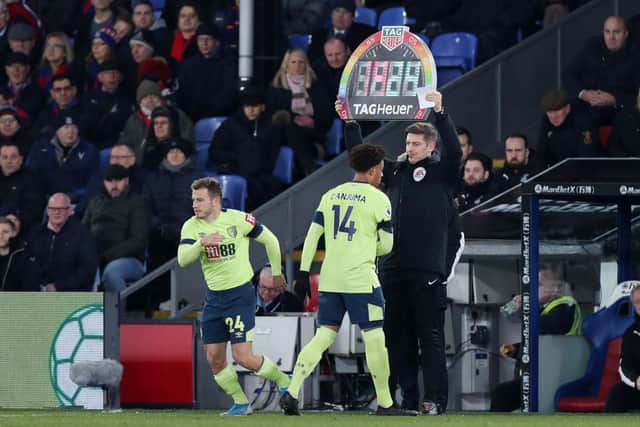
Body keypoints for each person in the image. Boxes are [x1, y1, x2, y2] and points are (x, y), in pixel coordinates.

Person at [340, 91, 461, 414]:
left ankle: (434, 400)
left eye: (417, 144)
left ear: (431, 147)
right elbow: (363, 159)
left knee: (430, 340)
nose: (410, 149)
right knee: (396, 341)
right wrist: (350, 123)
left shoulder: (443, 174)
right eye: (408, 144)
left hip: (427, 273)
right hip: (392, 270)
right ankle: (406, 399)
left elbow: (456, 151)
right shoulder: (393, 173)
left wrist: (440, 113)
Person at [280, 144, 417, 417]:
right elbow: (387, 246)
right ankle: (386, 404)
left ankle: (292, 391)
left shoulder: (330, 195)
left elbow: (312, 237)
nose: (382, 174)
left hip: (330, 279)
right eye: (380, 168)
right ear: (373, 169)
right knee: (375, 337)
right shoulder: (379, 199)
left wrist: (305, 273)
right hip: (361, 281)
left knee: (323, 336)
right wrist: (367, 246)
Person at [177, 176, 290, 416]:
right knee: (214, 358)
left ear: (215, 200)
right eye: (193, 200)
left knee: (243, 357)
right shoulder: (191, 226)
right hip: (214, 299)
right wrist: (201, 244)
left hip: (240, 295)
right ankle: (241, 403)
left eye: (200, 200)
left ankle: (283, 381)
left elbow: (270, 240)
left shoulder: (238, 220)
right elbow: (183, 260)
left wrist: (277, 272)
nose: (194, 205)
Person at [490, 266, 582, 411]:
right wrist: (516, 350)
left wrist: (527, 307)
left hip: (556, 376)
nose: (531, 289)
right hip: (537, 375)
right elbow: (540, 341)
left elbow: (547, 327)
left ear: (555, 288)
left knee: (502, 394)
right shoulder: (543, 309)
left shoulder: (565, 305)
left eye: (538, 285)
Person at [207, 86, 282, 210]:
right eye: (247, 106)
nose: (251, 110)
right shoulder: (230, 125)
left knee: (273, 186)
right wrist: (237, 157)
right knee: (252, 188)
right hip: (237, 170)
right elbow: (215, 153)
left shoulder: (270, 126)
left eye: (255, 106)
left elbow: (272, 152)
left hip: (262, 173)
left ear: (262, 107)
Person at [83, 164, 149, 295]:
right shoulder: (95, 202)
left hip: (130, 260)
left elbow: (138, 241)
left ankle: (116, 315)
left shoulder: (137, 203)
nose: (113, 185)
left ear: (126, 181)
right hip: (95, 258)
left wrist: (106, 256)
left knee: (112, 272)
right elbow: (82, 233)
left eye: (118, 180)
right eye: (109, 181)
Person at [268, 48, 332, 177]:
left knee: (294, 132)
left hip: (312, 134)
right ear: (286, 65)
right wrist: (295, 118)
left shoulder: (316, 87)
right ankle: (309, 168)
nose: (297, 66)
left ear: (306, 64)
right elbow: (271, 116)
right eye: (293, 62)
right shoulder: (276, 89)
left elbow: (327, 117)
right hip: (284, 135)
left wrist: (312, 122)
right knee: (291, 127)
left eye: (301, 62)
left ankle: (305, 170)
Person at [563, 16, 638, 127]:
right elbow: (568, 73)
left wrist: (614, 100)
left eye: (616, 32)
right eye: (607, 32)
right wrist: (584, 94)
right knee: (556, 114)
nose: (611, 37)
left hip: (616, 112)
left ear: (626, 34)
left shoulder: (635, 56)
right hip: (585, 106)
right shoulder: (593, 46)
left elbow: (637, 97)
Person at [26, 193, 99, 292]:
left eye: (61, 209)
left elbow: (87, 270)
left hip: (70, 292)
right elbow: (26, 261)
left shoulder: (83, 234)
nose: (56, 212)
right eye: (52, 208)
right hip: (38, 290)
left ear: (69, 211)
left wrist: (59, 286)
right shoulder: (36, 232)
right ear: (47, 211)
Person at [175, 23, 238, 121]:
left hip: (219, 117)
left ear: (217, 42)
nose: (204, 43)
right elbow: (183, 93)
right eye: (200, 39)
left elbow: (228, 94)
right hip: (192, 118)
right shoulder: (188, 65)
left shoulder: (229, 63)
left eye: (208, 39)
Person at [536, 88, 600, 171]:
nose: (553, 116)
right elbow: (542, 153)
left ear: (567, 108)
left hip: (588, 172)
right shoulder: (546, 120)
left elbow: (587, 156)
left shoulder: (583, 120)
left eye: (557, 110)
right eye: (549, 111)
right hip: (558, 172)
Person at [604, 284, 640, 412]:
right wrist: (636, 381)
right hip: (637, 388)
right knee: (617, 393)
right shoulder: (631, 333)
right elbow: (624, 367)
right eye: (637, 302)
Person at [307, 0, 375, 64]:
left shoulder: (366, 33)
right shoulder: (319, 34)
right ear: (331, 14)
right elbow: (312, 60)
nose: (340, 15)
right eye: (337, 11)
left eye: (345, 12)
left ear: (353, 16)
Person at [0, 141, 44, 236]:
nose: (9, 161)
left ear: (21, 159)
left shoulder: (31, 179)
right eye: (5, 157)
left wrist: (17, 219)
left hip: (20, 228)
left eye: (13, 157)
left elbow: (34, 209)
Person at [0, 215, 39, 291]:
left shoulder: (24, 257)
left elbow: (31, 290)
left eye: (5, 232)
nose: (0, 236)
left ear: (13, 233)